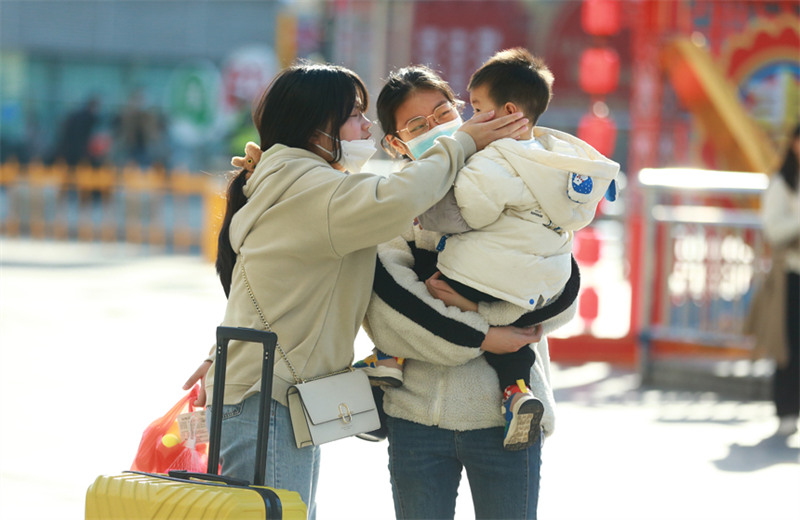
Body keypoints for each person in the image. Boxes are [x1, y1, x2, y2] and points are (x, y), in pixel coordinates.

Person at [181, 61, 531, 518]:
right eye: (354, 114)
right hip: (269, 404)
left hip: (264, 397)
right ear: (317, 126)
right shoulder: (312, 189)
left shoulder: (284, 179)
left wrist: (217, 357)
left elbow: (265, 287)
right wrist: (461, 142)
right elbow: (399, 198)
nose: (365, 125)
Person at [357, 49, 618, 451]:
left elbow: (557, 296)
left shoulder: (509, 168)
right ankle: (390, 366)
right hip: (418, 419)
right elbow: (392, 311)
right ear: (395, 142)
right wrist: (487, 335)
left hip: (505, 432)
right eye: (417, 124)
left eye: (445, 113)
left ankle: (392, 367)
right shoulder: (395, 200)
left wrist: (474, 310)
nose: (438, 127)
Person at [746, 123, 800, 437]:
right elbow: (773, 229)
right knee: (788, 347)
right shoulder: (783, 182)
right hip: (790, 277)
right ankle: (787, 410)